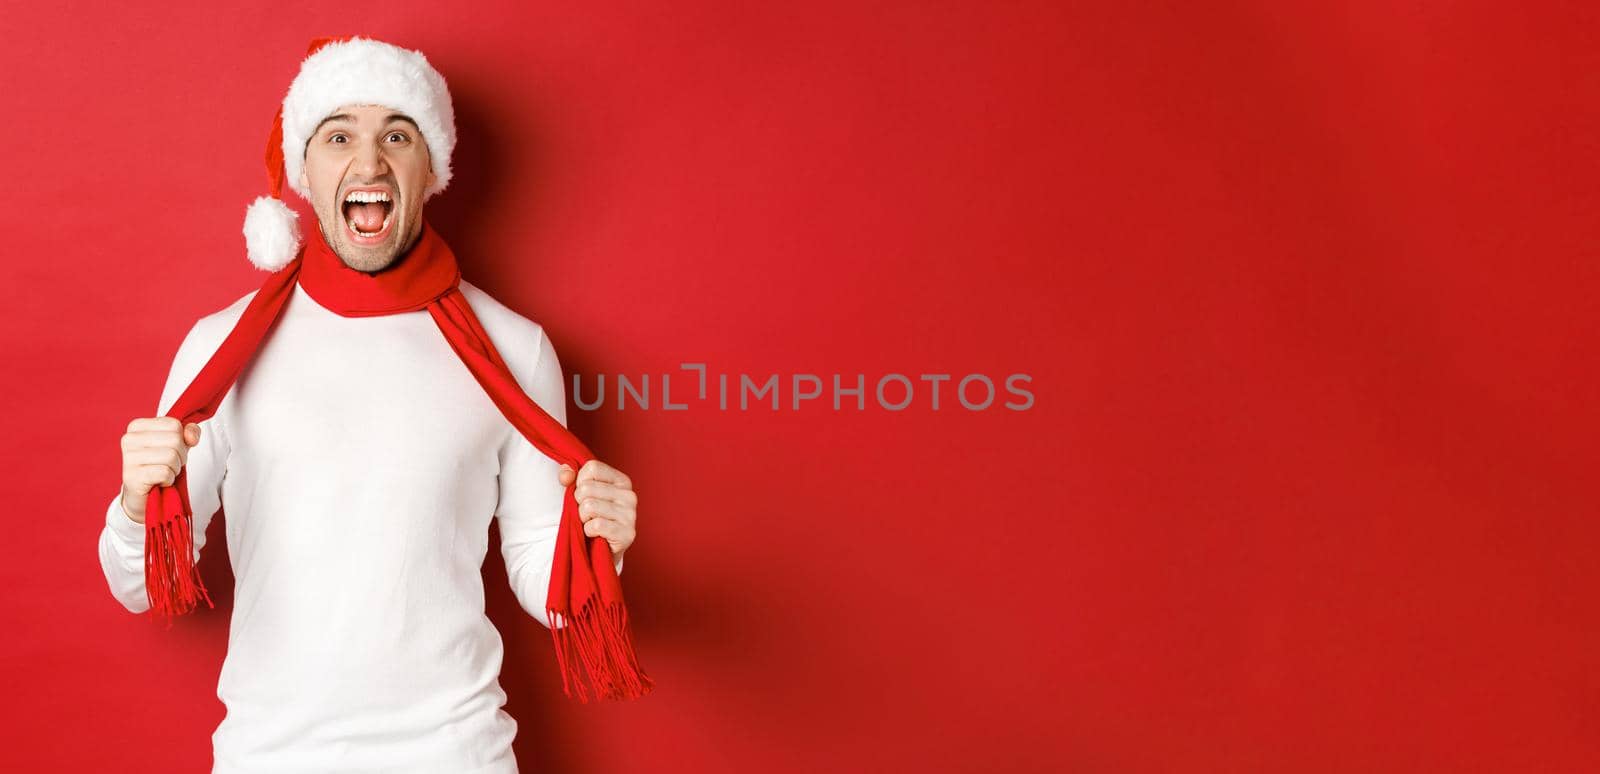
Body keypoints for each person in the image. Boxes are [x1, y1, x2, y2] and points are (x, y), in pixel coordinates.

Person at [95, 36, 642, 773]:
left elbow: (551, 595)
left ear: (431, 165)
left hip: (458, 754)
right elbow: (137, 588)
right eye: (339, 135)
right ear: (305, 169)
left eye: (397, 134)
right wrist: (135, 504)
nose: (369, 161)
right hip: (269, 757)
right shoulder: (219, 349)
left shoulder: (515, 351)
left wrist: (599, 541)